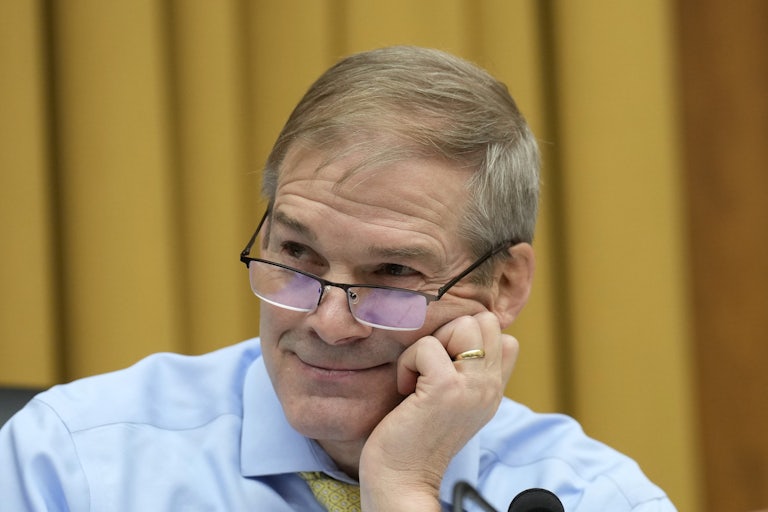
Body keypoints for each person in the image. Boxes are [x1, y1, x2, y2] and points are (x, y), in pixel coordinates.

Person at [0, 46, 675, 511]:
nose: (326, 321)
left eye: (393, 273)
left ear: (503, 286)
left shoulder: (588, 497)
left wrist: (405, 489)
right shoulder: (72, 463)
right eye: (297, 256)